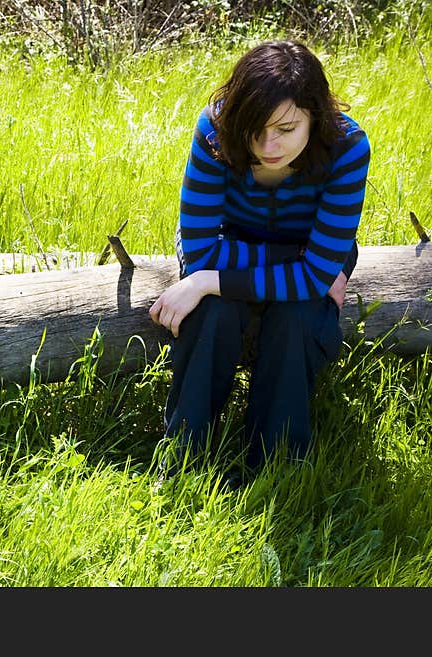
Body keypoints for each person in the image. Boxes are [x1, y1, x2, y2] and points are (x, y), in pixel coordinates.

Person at [149, 40, 370, 480]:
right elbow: (200, 249)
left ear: (315, 117)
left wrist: (215, 277)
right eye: (256, 129)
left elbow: (315, 276)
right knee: (210, 310)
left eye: (286, 129)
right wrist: (211, 280)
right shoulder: (214, 129)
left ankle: (276, 468)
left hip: (303, 250)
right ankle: (182, 460)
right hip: (235, 245)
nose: (269, 145)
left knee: (298, 317)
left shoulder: (348, 146)